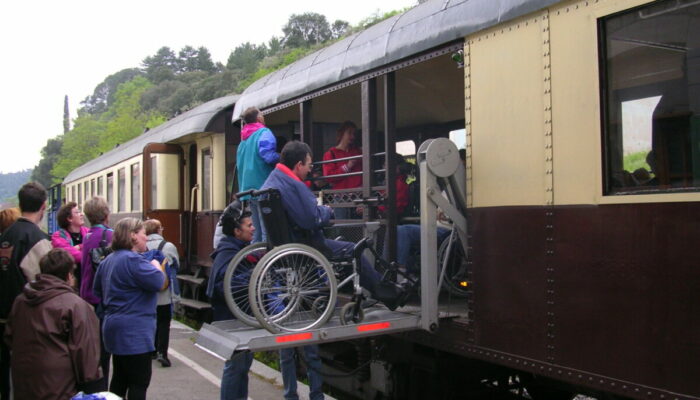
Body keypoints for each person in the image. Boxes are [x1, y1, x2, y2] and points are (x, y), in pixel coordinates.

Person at [261, 141, 405, 310]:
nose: (310, 169)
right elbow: (310, 219)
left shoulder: (273, 180)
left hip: (286, 243)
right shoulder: (294, 185)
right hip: (306, 244)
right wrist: (327, 211)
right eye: (309, 165)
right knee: (354, 249)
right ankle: (388, 295)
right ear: (299, 165)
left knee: (342, 246)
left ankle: (330, 298)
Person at [3, 248, 102, 400]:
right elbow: (86, 353)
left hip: (24, 382)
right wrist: (92, 385)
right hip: (59, 386)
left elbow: (10, 336)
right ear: (69, 275)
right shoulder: (74, 305)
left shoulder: (21, 300)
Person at [93, 218, 167, 400]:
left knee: (120, 378)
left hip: (113, 327)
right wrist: (157, 266)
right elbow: (159, 282)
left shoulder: (108, 260)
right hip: (134, 331)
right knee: (138, 382)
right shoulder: (134, 261)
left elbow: (97, 290)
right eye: (143, 234)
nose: (146, 239)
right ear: (133, 236)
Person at [0, 182, 52, 400]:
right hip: (25, 326)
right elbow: (46, 286)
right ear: (43, 206)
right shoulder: (38, 240)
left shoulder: (6, 235)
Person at [207, 202, 256, 400]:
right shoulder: (230, 253)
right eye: (249, 225)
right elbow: (224, 285)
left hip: (237, 317)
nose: (253, 228)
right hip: (232, 319)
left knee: (241, 367)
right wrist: (253, 276)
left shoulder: (233, 249)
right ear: (237, 231)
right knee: (236, 367)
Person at [80, 196, 113, 390]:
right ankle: (102, 390)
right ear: (106, 214)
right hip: (102, 298)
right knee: (104, 351)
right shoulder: (109, 235)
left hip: (86, 295)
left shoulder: (87, 235)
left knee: (92, 349)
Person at [237, 106, 279, 243]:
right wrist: (282, 158)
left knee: (256, 231)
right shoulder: (264, 132)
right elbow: (268, 156)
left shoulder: (243, 141)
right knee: (268, 227)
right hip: (263, 186)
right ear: (259, 118)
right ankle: (267, 259)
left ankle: (256, 259)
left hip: (248, 190)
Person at [143, 219, 180, 368]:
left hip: (147, 293)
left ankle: (151, 349)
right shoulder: (168, 246)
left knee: (151, 321)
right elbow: (176, 266)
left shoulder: (142, 245)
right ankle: (162, 353)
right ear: (158, 230)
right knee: (164, 322)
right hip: (164, 292)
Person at [322, 121, 362, 219]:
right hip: (341, 197)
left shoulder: (358, 152)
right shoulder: (331, 153)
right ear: (341, 134)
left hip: (359, 196)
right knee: (342, 229)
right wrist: (347, 166)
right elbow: (329, 177)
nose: (352, 136)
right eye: (349, 133)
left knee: (361, 228)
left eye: (354, 134)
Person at [51, 202, 88, 287]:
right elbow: (69, 255)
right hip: (69, 284)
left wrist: (79, 246)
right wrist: (87, 250)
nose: (81, 214)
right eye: (77, 212)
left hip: (87, 282)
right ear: (69, 218)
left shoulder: (88, 232)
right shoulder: (58, 236)